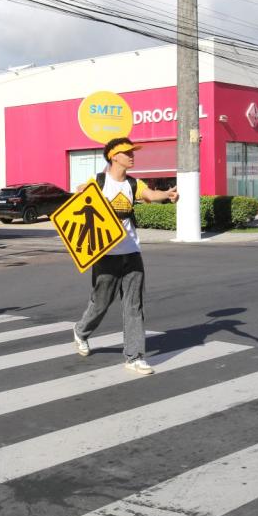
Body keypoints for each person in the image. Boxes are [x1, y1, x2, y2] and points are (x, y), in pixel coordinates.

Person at [72, 137, 178, 375]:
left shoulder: (133, 183)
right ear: (113, 156)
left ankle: (134, 356)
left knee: (134, 305)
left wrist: (167, 195)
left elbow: (150, 194)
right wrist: (78, 194)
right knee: (101, 303)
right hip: (105, 255)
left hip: (132, 253)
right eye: (127, 152)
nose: (132, 155)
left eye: (133, 152)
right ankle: (81, 331)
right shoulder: (98, 182)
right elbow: (77, 207)